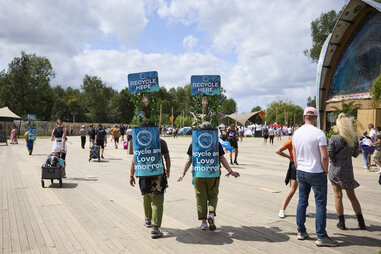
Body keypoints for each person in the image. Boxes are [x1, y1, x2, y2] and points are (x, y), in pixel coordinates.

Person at [178, 122, 240, 231]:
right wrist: (231, 171)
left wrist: (183, 173)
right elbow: (222, 159)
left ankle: (203, 223)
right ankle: (211, 215)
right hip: (213, 174)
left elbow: (189, 160)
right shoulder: (216, 143)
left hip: (198, 174)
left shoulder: (194, 143)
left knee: (200, 197)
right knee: (213, 196)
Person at [292, 107, 337, 247]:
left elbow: (294, 154)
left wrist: (298, 167)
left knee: (302, 201)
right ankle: (321, 236)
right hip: (316, 172)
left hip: (301, 171)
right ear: (316, 118)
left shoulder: (296, 133)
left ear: (304, 116)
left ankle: (301, 231)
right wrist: (325, 171)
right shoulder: (319, 133)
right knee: (320, 204)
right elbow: (324, 156)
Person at [129, 121, 171, 239]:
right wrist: (168, 170)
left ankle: (148, 219)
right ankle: (155, 229)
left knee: (146, 196)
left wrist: (131, 175)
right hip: (158, 175)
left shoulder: (139, 142)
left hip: (143, 173)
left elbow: (134, 161)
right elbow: (167, 158)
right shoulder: (161, 142)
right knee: (157, 201)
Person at [328, 113, 366, 231]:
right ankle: (361, 222)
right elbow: (355, 154)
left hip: (335, 169)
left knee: (338, 196)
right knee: (352, 196)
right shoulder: (354, 138)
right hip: (348, 170)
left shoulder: (334, 138)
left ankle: (342, 223)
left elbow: (330, 154)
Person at [275, 124, 302, 218]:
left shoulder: (305, 141)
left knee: (304, 190)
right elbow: (278, 150)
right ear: (294, 132)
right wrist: (289, 157)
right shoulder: (291, 141)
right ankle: (282, 209)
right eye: (296, 131)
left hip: (305, 166)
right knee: (292, 189)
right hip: (295, 166)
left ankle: (303, 209)